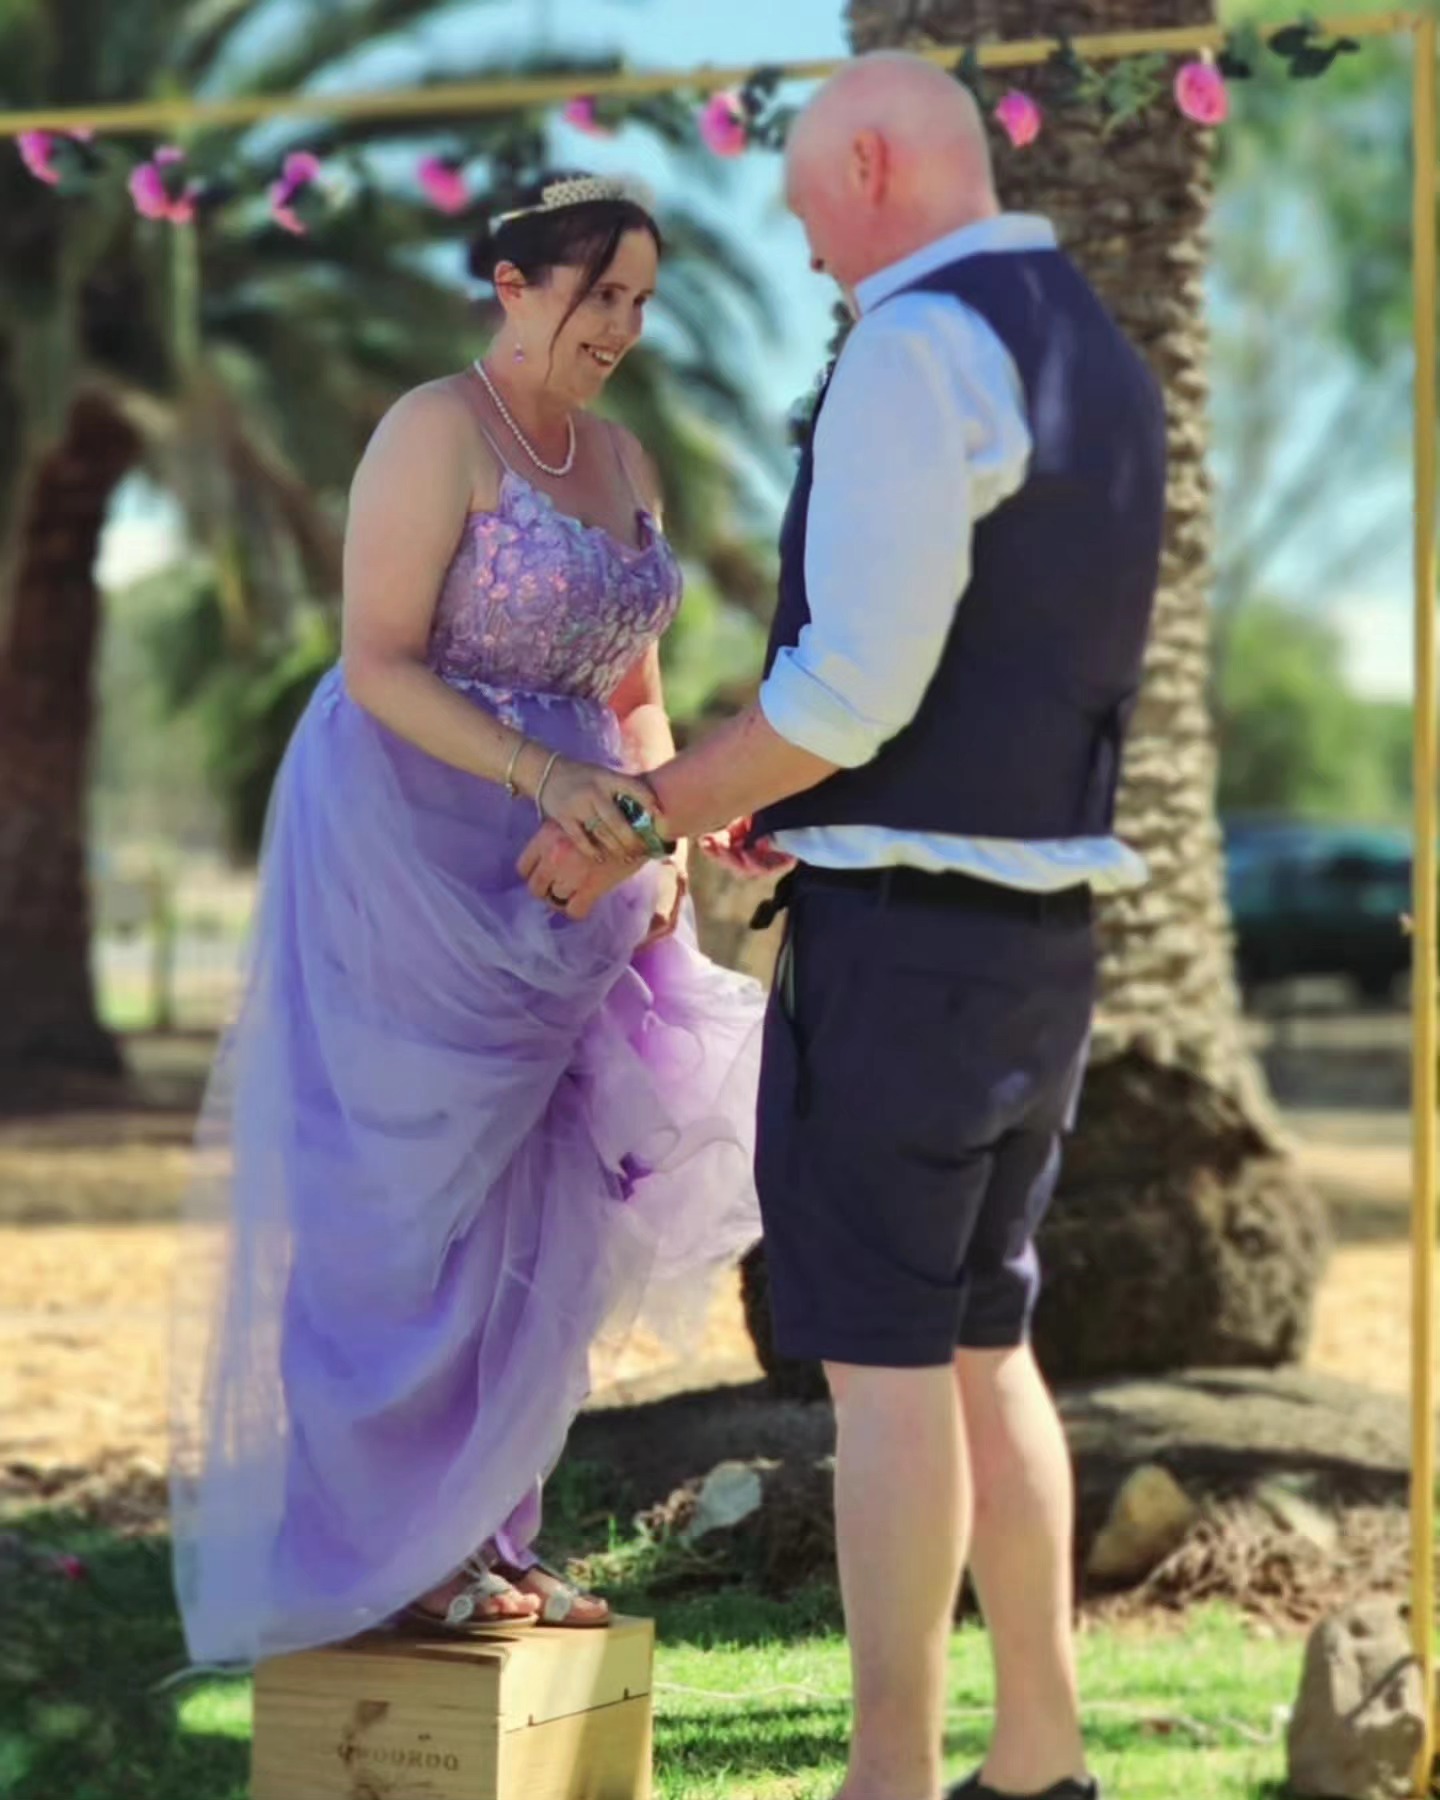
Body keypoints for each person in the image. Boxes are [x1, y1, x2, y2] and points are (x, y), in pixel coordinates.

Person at [522, 56, 1167, 1800]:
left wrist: (650, 811)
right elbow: (961, 671)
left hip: (904, 959)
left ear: (875, 161)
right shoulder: (1097, 354)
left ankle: (886, 1782)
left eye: (808, 204)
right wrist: (781, 780)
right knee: (982, 1349)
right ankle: (1038, 1763)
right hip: (1041, 950)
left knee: (883, 1383)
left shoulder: (913, 344)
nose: (805, 249)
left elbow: (851, 693)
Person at [170, 173, 765, 1666]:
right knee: (403, 1201)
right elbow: (376, 661)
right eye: (596, 294)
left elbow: (635, 683)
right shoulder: (434, 429)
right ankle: (384, 1549)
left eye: (640, 298)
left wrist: (660, 823)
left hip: (584, 858)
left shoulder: (622, 453)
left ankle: (492, 1537)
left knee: (551, 1188)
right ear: (510, 282)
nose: (622, 326)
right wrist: (545, 773)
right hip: (411, 837)